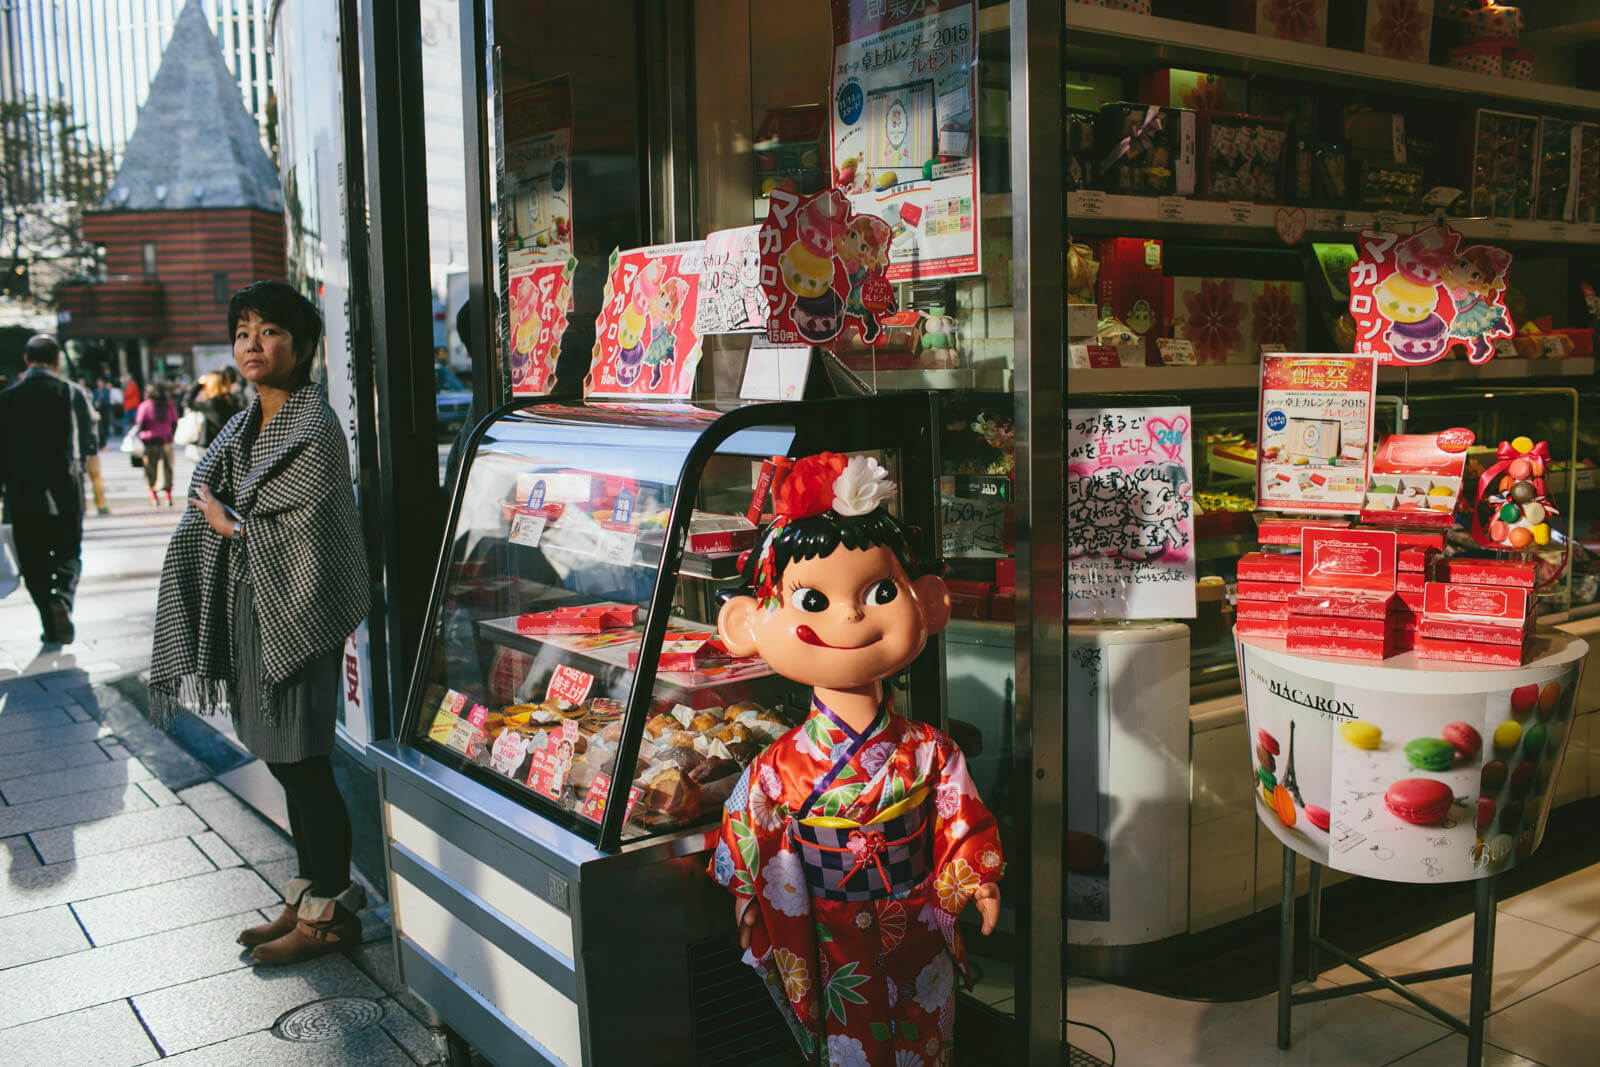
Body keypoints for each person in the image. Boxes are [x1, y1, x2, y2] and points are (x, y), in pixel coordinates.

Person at [709, 452, 1002, 1065]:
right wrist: (749, 898)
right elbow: (753, 837)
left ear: (928, 603)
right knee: (847, 1048)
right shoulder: (778, 766)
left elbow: (961, 820)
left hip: (916, 922)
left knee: (926, 1040)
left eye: (881, 591)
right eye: (811, 601)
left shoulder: (928, 751)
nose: (850, 614)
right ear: (747, 624)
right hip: (828, 931)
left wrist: (977, 877)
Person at [149, 280, 370, 966]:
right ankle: (306, 894)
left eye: (270, 330)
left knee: (303, 761)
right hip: (253, 608)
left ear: (302, 347)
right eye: (244, 329)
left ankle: (330, 912)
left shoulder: (313, 424)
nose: (253, 342)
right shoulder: (243, 424)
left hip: (299, 607)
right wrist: (224, 522)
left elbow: (308, 531)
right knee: (280, 756)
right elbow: (214, 498)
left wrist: (229, 524)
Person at [0, 334, 98, 644]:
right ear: (57, 362)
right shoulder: (73, 393)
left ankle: (49, 619)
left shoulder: (6, 398)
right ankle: (63, 602)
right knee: (69, 553)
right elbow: (89, 443)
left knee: (32, 560)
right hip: (65, 489)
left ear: (26, 361)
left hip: (21, 493)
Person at [134, 382, 180, 506]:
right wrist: (170, 434)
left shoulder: (144, 406)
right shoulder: (169, 406)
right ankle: (168, 496)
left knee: (150, 468)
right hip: (166, 440)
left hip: (149, 441)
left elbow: (140, 423)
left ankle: (153, 496)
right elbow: (175, 422)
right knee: (167, 468)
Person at [193, 372, 245, 447]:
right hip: (230, 442)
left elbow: (187, 402)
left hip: (212, 444)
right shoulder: (232, 399)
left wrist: (198, 384)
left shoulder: (211, 403)